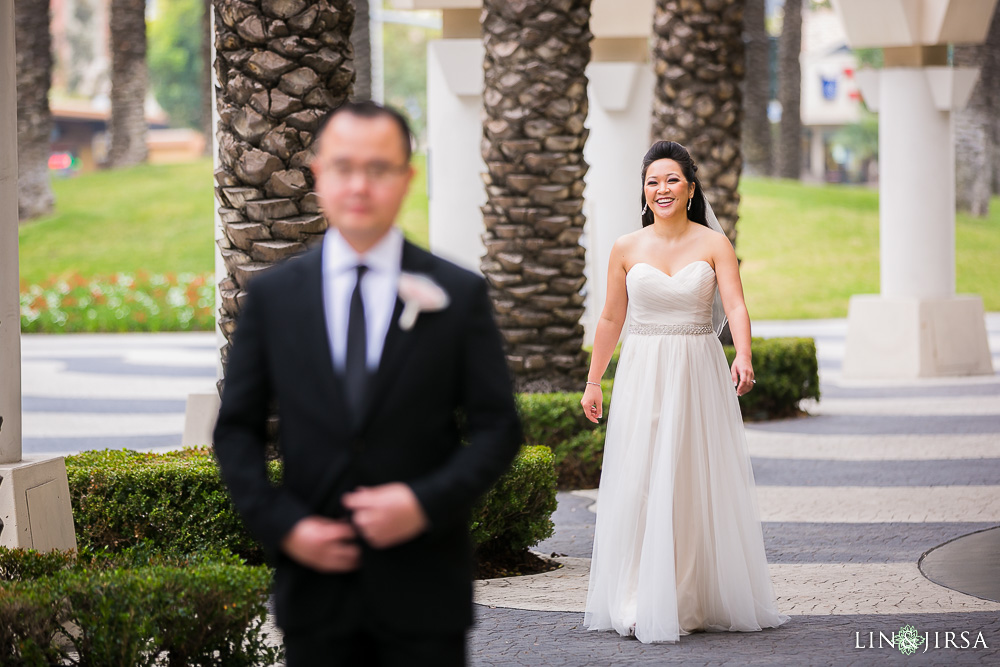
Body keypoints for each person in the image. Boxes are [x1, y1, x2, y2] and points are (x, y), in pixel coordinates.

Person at [213, 101, 522, 666]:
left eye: (378, 168)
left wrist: (422, 503)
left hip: (424, 591)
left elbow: (499, 429)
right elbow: (236, 431)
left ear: (406, 179)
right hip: (315, 595)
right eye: (344, 167)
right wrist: (285, 527)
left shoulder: (456, 294)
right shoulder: (273, 298)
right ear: (317, 173)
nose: (360, 184)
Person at [581, 141, 788, 643]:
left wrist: (743, 354)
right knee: (643, 476)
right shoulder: (626, 247)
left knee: (692, 477)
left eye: (672, 179)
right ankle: (636, 594)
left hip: (697, 369)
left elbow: (735, 306)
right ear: (645, 192)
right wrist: (593, 381)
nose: (662, 189)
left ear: (691, 189)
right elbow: (611, 317)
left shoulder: (714, 245)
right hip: (644, 371)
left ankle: (689, 595)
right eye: (653, 181)